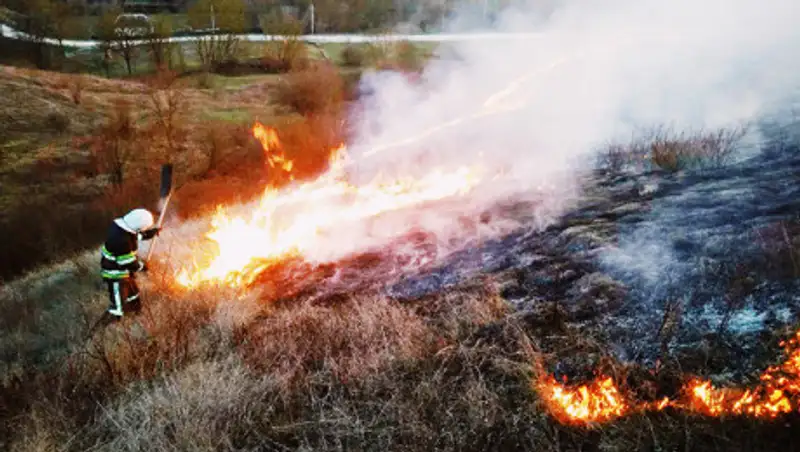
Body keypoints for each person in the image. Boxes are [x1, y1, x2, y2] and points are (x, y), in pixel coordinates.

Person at [100, 208, 161, 319]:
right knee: (118, 305)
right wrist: (142, 267)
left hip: (123, 271)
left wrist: (149, 234)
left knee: (133, 294)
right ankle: (103, 330)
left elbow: (135, 236)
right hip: (115, 274)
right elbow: (127, 263)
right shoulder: (121, 241)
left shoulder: (121, 229)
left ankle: (134, 313)